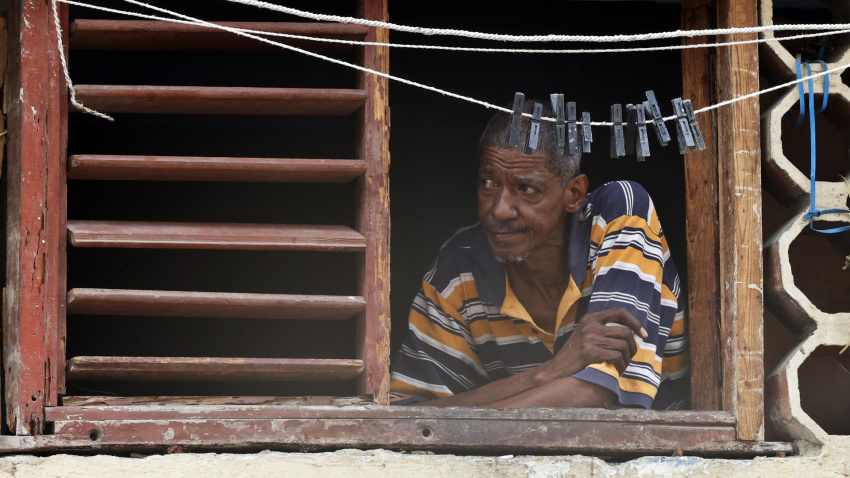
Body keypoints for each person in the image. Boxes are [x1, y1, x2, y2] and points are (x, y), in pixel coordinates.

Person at [389, 100, 689, 410]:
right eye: (488, 183)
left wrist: (464, 419)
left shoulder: (618, 217)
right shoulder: (459, 268)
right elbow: (408, 417)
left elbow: (597, 398)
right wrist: (549, 372)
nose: (499, 209)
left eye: (527, 189)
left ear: (573, 194)